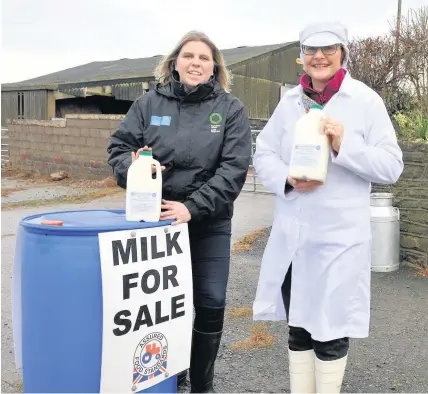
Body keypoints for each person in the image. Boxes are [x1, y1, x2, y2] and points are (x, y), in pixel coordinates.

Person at [252, 21, 404, 393]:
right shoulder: (289, 103)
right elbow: (265, 152)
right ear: (300, 57)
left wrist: (344, 145)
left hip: (339, 241)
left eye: (328, 49)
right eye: (310, 50)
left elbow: (391, 165)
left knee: (331, 330)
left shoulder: (365, 101)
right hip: (294, 237)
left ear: (343, 53)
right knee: (299, 327)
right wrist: (286, 180)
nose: (319, 57)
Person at [107, 30, 252, 392]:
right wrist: (134, 167)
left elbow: (233, 170)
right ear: (175, 62)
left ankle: (202, 385)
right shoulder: (148, 104)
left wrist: (192, 207)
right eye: (189, 56)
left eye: (204, 58)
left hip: (209, 223)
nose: (196, 63)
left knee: (210, 300)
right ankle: (170, 373)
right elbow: (119, 149)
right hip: (155, 224)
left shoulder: (230, 109)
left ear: (214, 67)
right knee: (163, 305)